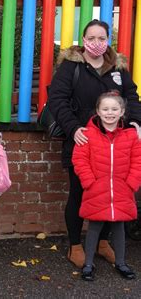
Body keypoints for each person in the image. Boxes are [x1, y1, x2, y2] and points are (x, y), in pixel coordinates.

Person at [47, 19, 141, 268]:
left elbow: (131, 96)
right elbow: (57, 99)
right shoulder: (71, 67)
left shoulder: (118, 68)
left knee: (112, 194)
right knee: (80, 193)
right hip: (83, 140)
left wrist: (136, 122)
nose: (96, 43)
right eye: (92, 38)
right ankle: (75, 245)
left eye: (102, 38)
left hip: (115, 144)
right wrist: (73, 127)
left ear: (108, 40)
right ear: (83, 40)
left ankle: (102, 242)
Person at [72, 91, 141, 281]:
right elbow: (79, 159)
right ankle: (88, 264)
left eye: (114, 109)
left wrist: (132, 183)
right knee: (94, 226)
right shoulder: (87, 134)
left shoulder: (131, 135)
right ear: (98, 111)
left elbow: (138, 161)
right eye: (105, 109)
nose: (109, 113)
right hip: (96, 189)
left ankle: (121, 262)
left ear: (122, 111)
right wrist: (89, 182)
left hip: (122, 189)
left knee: (119, 225)